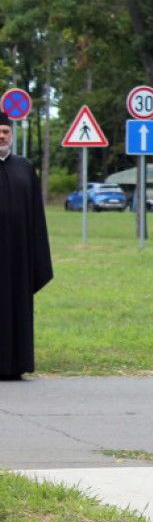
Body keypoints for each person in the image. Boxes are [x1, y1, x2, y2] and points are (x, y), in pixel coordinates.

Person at [0, 111, 53, 381]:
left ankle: (14, 365)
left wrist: (38, 257)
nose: (1, 136)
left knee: (16, 306)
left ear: (11, 134)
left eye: (5, 132)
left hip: (18, 255)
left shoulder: (24, 167)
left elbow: (36, 217)